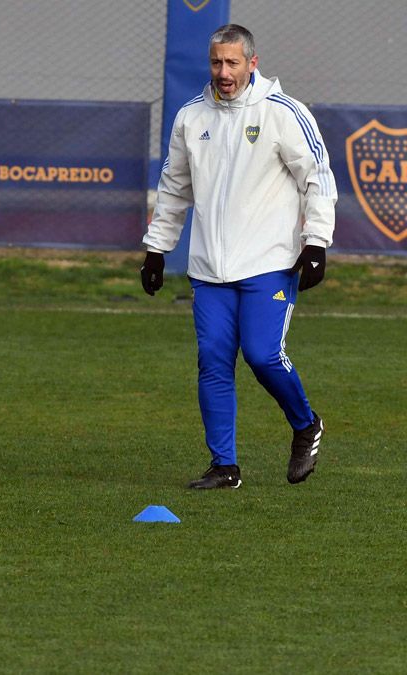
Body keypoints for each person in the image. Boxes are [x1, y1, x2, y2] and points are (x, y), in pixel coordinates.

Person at [140, 24, 336, 489]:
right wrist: (155, 250)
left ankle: (305, 423)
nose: (223, 73)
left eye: (232, 63)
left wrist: (316, 243)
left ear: (253, 62)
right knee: (212, 360)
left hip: (270, 261)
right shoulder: (190, 117)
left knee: (264, 356)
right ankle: (224, 465)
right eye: (216, 63)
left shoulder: (283, 113)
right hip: (209, 269)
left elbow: (318, 179)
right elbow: (173, 189)